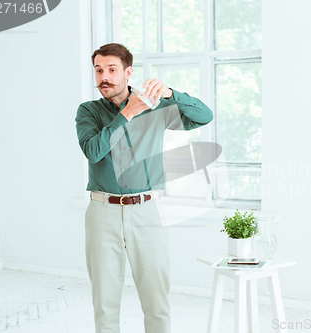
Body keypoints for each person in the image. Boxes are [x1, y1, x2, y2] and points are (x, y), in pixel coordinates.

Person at [75, 43, 213, 333]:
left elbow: (203, 116)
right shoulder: (88, 111)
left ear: (128, 73)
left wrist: (170, 94)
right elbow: (94, 151)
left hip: (147, 211)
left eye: (112, 70)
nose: (104, 77)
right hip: (103, 213)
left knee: (156, 300)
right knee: (105, 302)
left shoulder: (156, 107)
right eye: (99, 70)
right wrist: (127, 113)